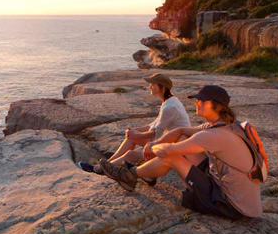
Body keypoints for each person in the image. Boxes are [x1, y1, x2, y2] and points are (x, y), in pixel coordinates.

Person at [98, 85, 262, 219]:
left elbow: (169, 151)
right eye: (197, 100)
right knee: (182, 136)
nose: (197, 103)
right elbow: (181, 130)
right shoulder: (227, 125)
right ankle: (148, 174)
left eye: (202, 101)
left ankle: (129, 175)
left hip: (230, 204)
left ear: (218, 106)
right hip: (230, 189)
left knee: (171, 158)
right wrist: (155, 143)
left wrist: (151, 147)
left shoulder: (215, 135)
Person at [77, 73, 190, 185]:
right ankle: (106, 165)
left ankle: (99, 170)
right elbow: (154, 124)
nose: (150, 86)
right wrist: (135, 130)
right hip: (168, 142)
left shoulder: (170, 107)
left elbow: (155, 132)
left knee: (130, 154)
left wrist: (136, 135)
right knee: (131, 139)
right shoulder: (170, 101)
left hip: (173, 148)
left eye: (153, 84)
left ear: (163, 87)